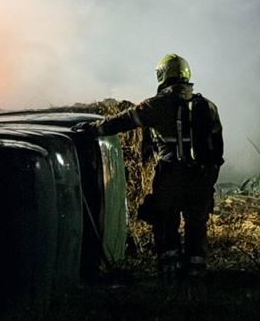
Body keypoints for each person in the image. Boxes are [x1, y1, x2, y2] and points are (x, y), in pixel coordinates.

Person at [76, 53, 224, 279]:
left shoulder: (158, 104)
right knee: (196, 224)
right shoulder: (207, 106)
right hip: (201, 177)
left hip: (171, 175)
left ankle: (170, 272)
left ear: (163, 75)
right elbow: (217, 147)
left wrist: (93, 128)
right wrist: (208, 176)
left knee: (165, 220)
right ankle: (197, 272)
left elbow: (123, 121)